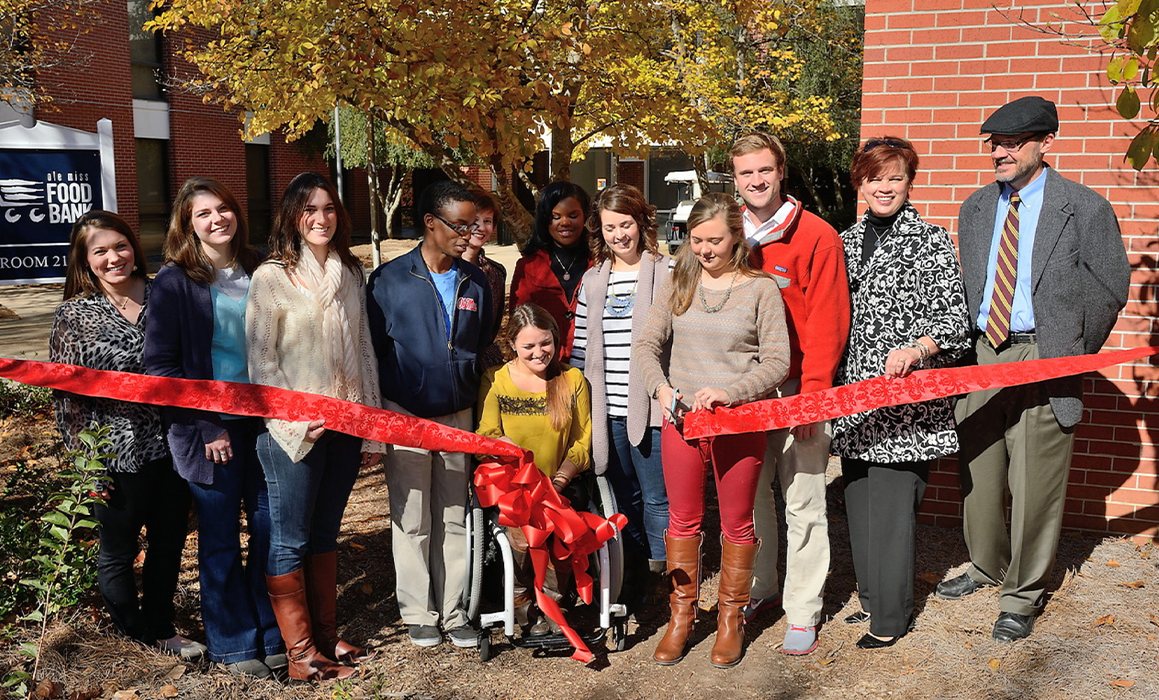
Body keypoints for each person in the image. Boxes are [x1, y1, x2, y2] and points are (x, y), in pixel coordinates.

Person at [937, 96, 1130, 642]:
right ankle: (984, 564)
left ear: (1045, 143)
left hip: (1046, 353)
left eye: (1010, 143)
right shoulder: (975, 207)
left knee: (1035, 481)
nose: (997, 152)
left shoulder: (1084, 207)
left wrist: (1068, 347)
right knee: (978, 466)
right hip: (982, 352)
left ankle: (1021, 593)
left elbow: (1110, 286)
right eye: (992, 143)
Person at [634, 193, 790, 669]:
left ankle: (731, 619)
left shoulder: (760, 289)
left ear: (737, 237)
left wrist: (734, 392)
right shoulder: (678, 284)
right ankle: (681, 617)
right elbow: (645, 345)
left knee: (737, 524)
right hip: (681, 422)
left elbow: (778, 362)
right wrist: (660, 389)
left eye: (714, 240)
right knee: (682, 522)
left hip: (739, 424)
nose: (704, 249)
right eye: (696, 240)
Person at [831, 137, 971, 649]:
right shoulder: (844, 243)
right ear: (859, 184)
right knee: (861, 502)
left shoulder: (931, 240)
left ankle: (890, 620)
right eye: (874, 178)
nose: (884, 187)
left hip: (904, 404)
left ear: (910, 182)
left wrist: (917, 348)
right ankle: (871, 600)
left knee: (891, 511)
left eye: (895, 177)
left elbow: (955, 320)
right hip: (853, 401)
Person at [246, 172, 384, 681]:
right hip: (292, 434)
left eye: (328, 209)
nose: (321, 218)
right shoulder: (271, 277)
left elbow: (365, 352)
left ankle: (326, 636)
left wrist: (368, 426)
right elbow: (261, 362)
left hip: (346, 423)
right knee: (290, 539)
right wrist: (292, 422)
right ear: (292, 216)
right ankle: (300, 654)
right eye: (310, 210)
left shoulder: (350, 271)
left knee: (326, 532)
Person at [49, 211, 204, 662]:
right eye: (100, 251)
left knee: (169, 541)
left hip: (173, 443)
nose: (114, 257)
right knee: (118, 549)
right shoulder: (73, 316)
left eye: (120, 246)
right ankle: (132, 635)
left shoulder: (166, 295)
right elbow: (68, 400)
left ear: (134, 247)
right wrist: (84, 464)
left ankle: (161, 629)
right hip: (115, 453)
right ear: (85, 260)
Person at [143, 178, 282, 677]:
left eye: (223, 208)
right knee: (221, 538)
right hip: (212, 430)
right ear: (187, 225)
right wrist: (206, 426)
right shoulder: (175, 282)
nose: (217, 219)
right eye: (203, 214)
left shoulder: (263, 267)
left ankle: (272, 630)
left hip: (268, 423)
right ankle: (234, 644)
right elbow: (162, 369)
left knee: (270, 531)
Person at [731, 131, 851, 655]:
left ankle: (803, 609)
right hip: (742, 394)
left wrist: (815, 398)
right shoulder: (723, 233)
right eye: (745, 173)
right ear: (734, 179)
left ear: (781, 172)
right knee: (752, 501)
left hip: (799, 388)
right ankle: (762, 590)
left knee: (803, 501)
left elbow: (829, 321)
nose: (756, 181)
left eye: (764, 170)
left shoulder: (818, 235)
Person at [365, 180, 493, 649]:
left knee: (454, 513)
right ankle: (418, 610)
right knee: (412, 514)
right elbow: (376, 350)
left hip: (459, 413)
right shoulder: (387, 280)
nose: (468, 234)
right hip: (405, 415)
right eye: (459, 225)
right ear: (430, 223)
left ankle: (455, 609)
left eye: (473, 225)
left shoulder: (475, 281)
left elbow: (479, 342)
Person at [570, 184, 671, 609]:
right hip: (604, 407)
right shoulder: (593, 279)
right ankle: (630, 574)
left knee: (656, 497)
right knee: (618, 494)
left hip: (650, 408)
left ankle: (666, 573)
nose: (619, 235)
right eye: (610, 227)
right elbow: (579, 347)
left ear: (642, 223)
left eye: (626, 224)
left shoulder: (667, 272)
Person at [477, 303, 592, 636]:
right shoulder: (496, 379)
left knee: (557, 519)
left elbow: (583, 441)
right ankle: (522, 597)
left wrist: (560, 478)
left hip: (560, 480)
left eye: (546, 343)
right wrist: (506, 448)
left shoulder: (571, 379)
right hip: (512, 482)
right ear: (512, 343)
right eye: (529, 346)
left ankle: (553, 600)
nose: (539, 352)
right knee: (521, 524)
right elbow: (486, 436)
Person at [508, 181, 591, 363]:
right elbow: (517, 324)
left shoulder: (601, 263)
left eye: (573, 215)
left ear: (585, 217)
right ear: (545, 220)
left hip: (594, 363)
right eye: (555, 216)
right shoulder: (528, 266)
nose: (565, 222)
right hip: (545, 364)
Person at [462, 191, 507, 369]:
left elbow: (493, 327)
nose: (481, 227)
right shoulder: (444, 270)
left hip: (485, 363)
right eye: (474, 221)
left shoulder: (495, 273)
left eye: (487, 221)